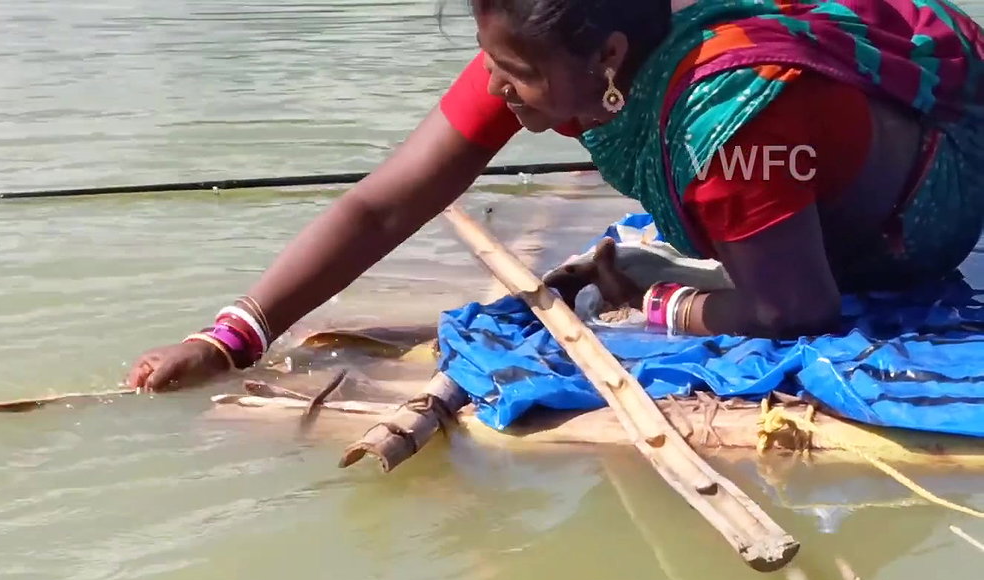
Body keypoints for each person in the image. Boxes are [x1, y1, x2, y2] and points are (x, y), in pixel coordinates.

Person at [125, 0, 984, 393]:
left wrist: (667, 307)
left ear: (608, 58)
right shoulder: (542, 50)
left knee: (770, 267)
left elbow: (798, 310)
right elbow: (383, 206)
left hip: (922, 208)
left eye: (517, 77)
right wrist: (234, 334)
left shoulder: (732, 116)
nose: (498, 92)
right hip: (791, 168)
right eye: (491, 64)